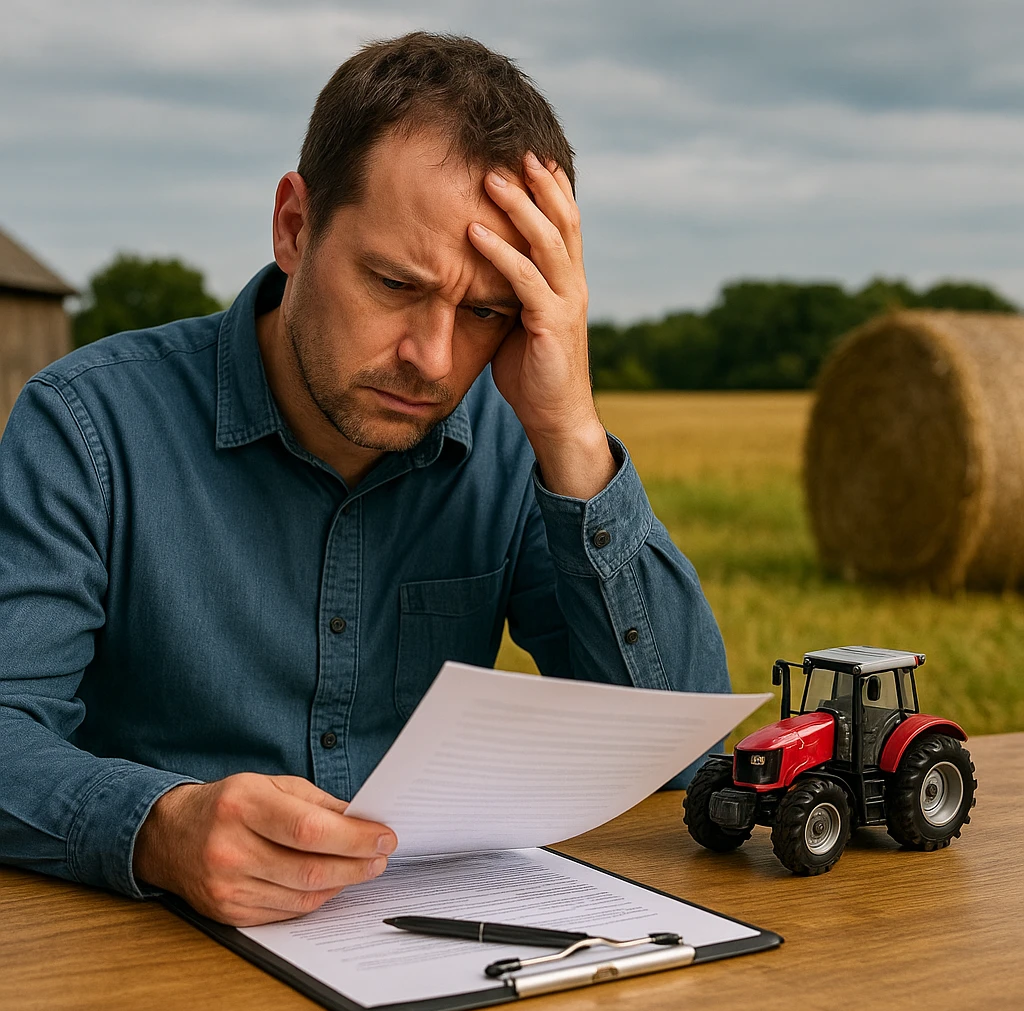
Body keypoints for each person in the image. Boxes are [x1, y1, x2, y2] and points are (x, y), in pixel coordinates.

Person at [0, 32, 730, 926]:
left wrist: (572, 432)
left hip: (429, 946)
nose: (430, 358)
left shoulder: (512, 447)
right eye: (392, 282)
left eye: (485, 313)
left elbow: (683, 758)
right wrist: (161, 827)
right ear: (295, 228)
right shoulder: (87, 427)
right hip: (148, 948)